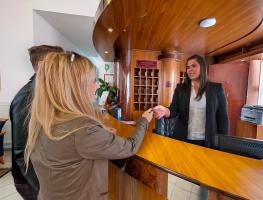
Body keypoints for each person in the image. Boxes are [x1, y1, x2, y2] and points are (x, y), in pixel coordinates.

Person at [24, 52, 153, 200]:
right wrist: (144, 120)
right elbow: (130, 147)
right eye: (93, 80)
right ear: (77, 87)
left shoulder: (42, 120)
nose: (98, 85)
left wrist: (99, 133)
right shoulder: (83, 129)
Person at [10, 45, 64, 199]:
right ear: (42, 65)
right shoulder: (27, 98)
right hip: (31, 181)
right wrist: (43, 187)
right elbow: (22, 152)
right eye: (59, 62)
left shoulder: (45, 93)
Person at [153, 54, 228, 148]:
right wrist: (165, 111)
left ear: (203, 67)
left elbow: (222, 118)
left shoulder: (216, 89)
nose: (190, 69)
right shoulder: (180, 88)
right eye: (188, 67)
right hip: (183, 139)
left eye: (194, 66)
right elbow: (174, 110)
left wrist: (224, 143)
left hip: (208, 141)